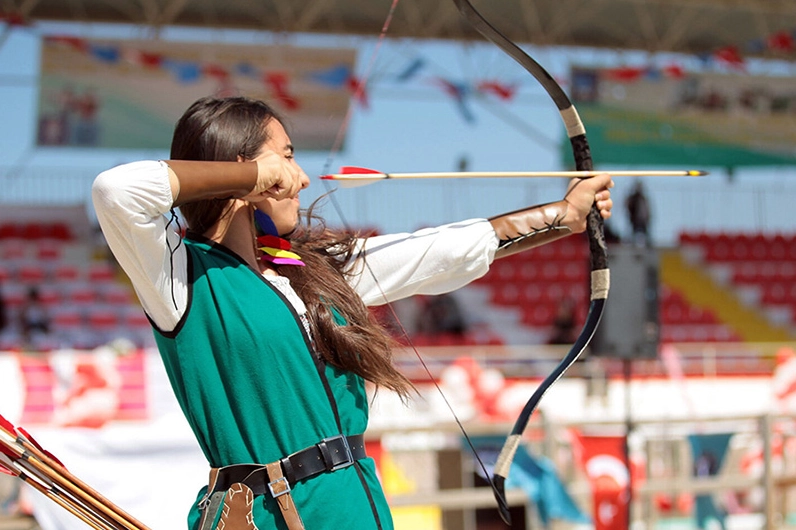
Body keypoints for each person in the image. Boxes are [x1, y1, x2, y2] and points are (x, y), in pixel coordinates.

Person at [92, 95, 613, 530]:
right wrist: (253, 174)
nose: (301, 178)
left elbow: (436, 251)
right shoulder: (181, 276)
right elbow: (115, 192)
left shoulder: (307, 270)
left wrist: (562, 216)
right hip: (270, 516)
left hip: (354, 504)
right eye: (286, 158)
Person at [625, 180, 651, 246]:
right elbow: (628, 206)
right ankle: (632, 244)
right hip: (635, 220)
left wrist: (647, 218)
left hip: (642, 220)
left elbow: (646, 210)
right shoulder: (633, 198)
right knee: (633, 234)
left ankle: (648, 245)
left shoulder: (643, 198)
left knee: (645, 234)